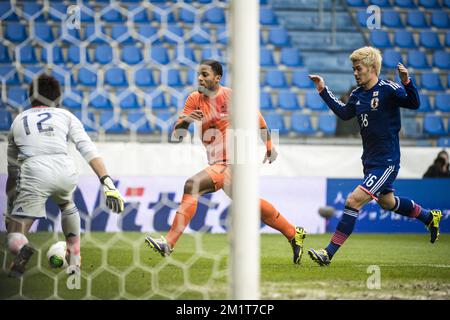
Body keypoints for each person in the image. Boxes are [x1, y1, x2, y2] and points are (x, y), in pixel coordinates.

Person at [145, 60, 307, 264]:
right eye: (199, 74)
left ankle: (168, 242)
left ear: (217, 78)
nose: (200, 78)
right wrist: (186, 121)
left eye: (205, 74)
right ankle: (294, 233)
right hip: (218, 161)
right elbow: (176, 136)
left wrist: (268, 146)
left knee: (191, 185)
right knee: (249, 203)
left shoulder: (231, 97)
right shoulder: (194, 99)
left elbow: (258, 119)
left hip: (233, 161)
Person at [308, 46, 442, 266]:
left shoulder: (388, 88)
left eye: (358, 68)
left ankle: (328, 253)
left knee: (353, 201)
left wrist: (407, 82)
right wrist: (323, 90)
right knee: (387, 203)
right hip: (370, 161)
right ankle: (429, 217)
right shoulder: (358, 94)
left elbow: (414, 103)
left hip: (387, 161)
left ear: (371, 68)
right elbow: (344, 113)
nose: (355, 72)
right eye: (353, 69)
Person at [5, 74, 124, 277]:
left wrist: (10, 207)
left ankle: (21, 250)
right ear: (57, 98)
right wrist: (106, 181)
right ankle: (74, 257)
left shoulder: (18, 120)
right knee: (67, 205)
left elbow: (13, 170)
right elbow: (87, 148)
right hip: (64, 167)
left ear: (30, 97)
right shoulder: (66, 115)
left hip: (34, 169)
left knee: (15, 231)